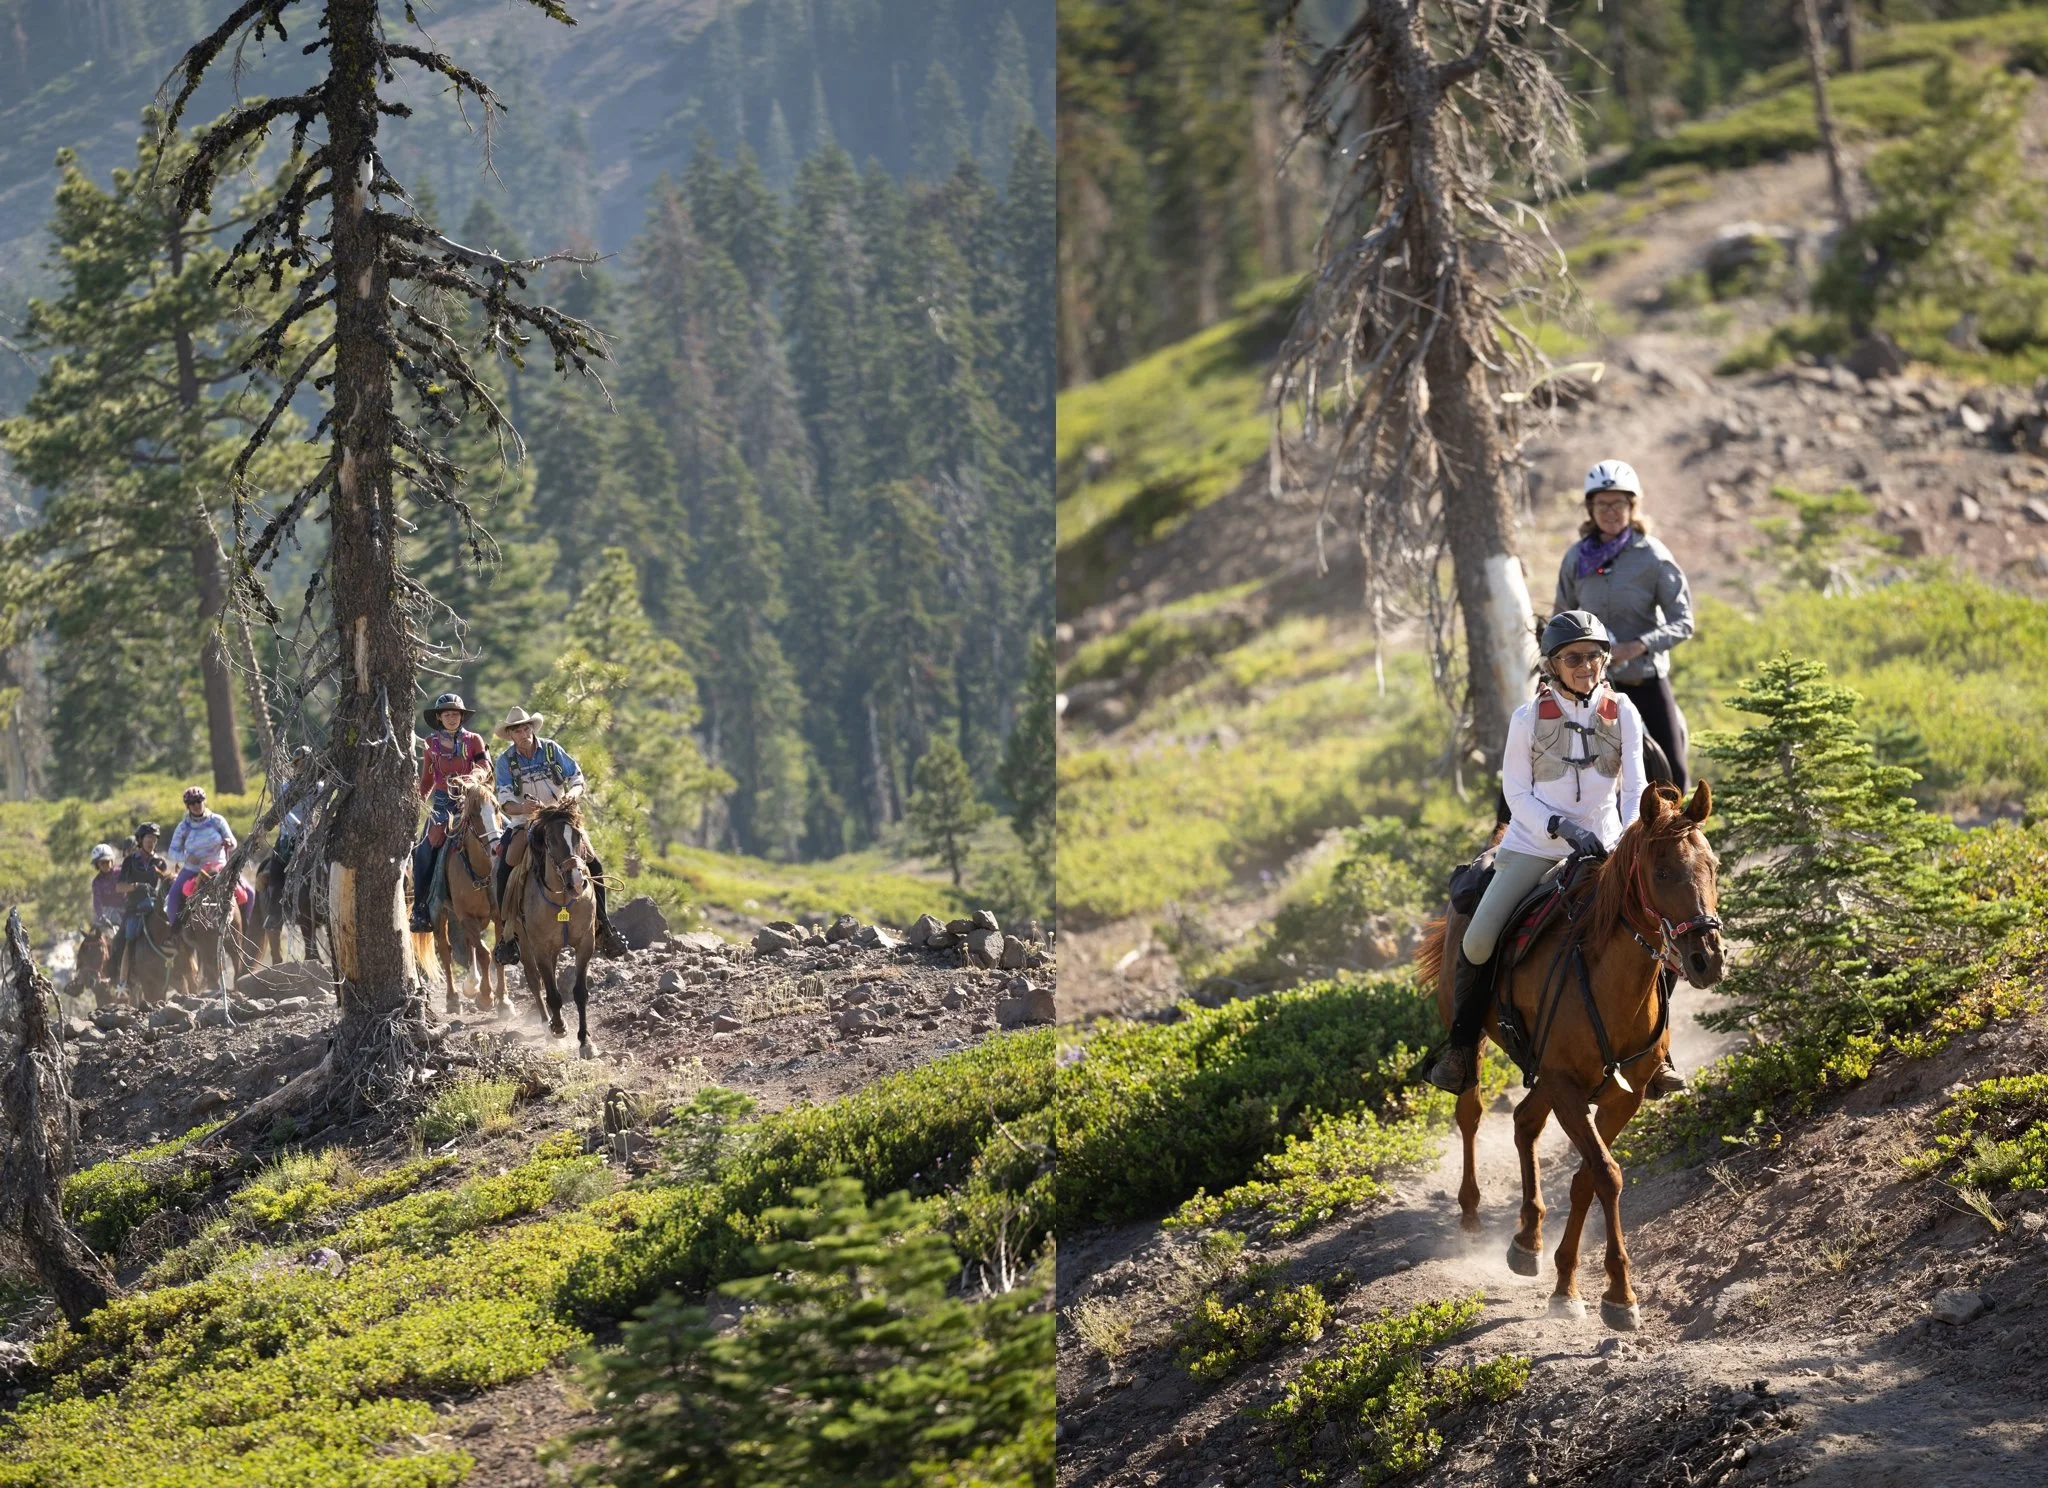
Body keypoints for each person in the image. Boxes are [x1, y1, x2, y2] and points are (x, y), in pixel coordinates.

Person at [1426, 611, 1686, 1098]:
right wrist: (1562, 827)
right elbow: (1517, 795)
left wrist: (1626, 836)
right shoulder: (1526, 720)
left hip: (1609, 846)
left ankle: (1659, 1052)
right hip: (1535, 847)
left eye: (1594, 655)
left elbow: (1634, 786)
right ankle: (1461, 1049)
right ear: (1553, 665)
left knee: (1667, 926)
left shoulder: (1624, 711)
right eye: (1574, 657)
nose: (1586, 665)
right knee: (1478, 941)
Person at [1554, 459, 1696, 790]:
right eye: (1601, 504)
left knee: (1673, 774)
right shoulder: (1576, 559)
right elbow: (1561, 619)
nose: (1610, 511)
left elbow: (1683, 621)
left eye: (1618, 502)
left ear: (1633, 506)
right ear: (1590, 508)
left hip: (1644, 679)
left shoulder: (1653, 556)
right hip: (1591, 684)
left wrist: (1637, 645)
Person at [489, 704, 627, 962]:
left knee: (593, 862)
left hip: (561, 817)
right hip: (524, 822)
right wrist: (521, 807)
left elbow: (577, 777)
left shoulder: (552, 750)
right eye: (517, 730)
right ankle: (509, 935)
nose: (523, 732)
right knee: (505, 864)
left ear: (532, 728)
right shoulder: (505, 761)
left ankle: (603, 926)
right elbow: (504, 798)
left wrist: (572, 797)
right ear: (510, 735)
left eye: (526, 727)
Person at [409, 694, 490, 934]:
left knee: (504, 834)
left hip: (472, 798)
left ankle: (512, 904)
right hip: (443, 804)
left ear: (462, 716)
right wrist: (417, 802)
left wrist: (473, 778)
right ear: (439, 718)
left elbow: (484, 765)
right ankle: (421, 910)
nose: (452, 718)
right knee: (424, 850)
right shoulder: (430, 744)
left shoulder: (474, 740)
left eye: (455, 714)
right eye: (447, 714)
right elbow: (427, 780)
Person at [107, 822, 169, 987]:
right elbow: (119, 887)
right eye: (148, 838)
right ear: (140, 840)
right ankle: (122, 980)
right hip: (134, 909)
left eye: (154, 839)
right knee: (123, 939)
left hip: (154, 907)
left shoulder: (161, 862)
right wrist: (136, 886)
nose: (151, 842)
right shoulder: (129, 861)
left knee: (177, 931)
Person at [165, 786, 236, 926]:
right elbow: (172, 852)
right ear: (187, 806)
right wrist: (186, 858)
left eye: (199, 801)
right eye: (192, 803)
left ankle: (248, 929)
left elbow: (233, 843)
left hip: (219, 867)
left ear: (204, 801)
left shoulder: (217, 821)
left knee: (249, 893)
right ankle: (175, 931)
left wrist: (228, 842)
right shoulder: (183, 827)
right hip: (193, 869)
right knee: (173, 895)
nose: (196, 805)